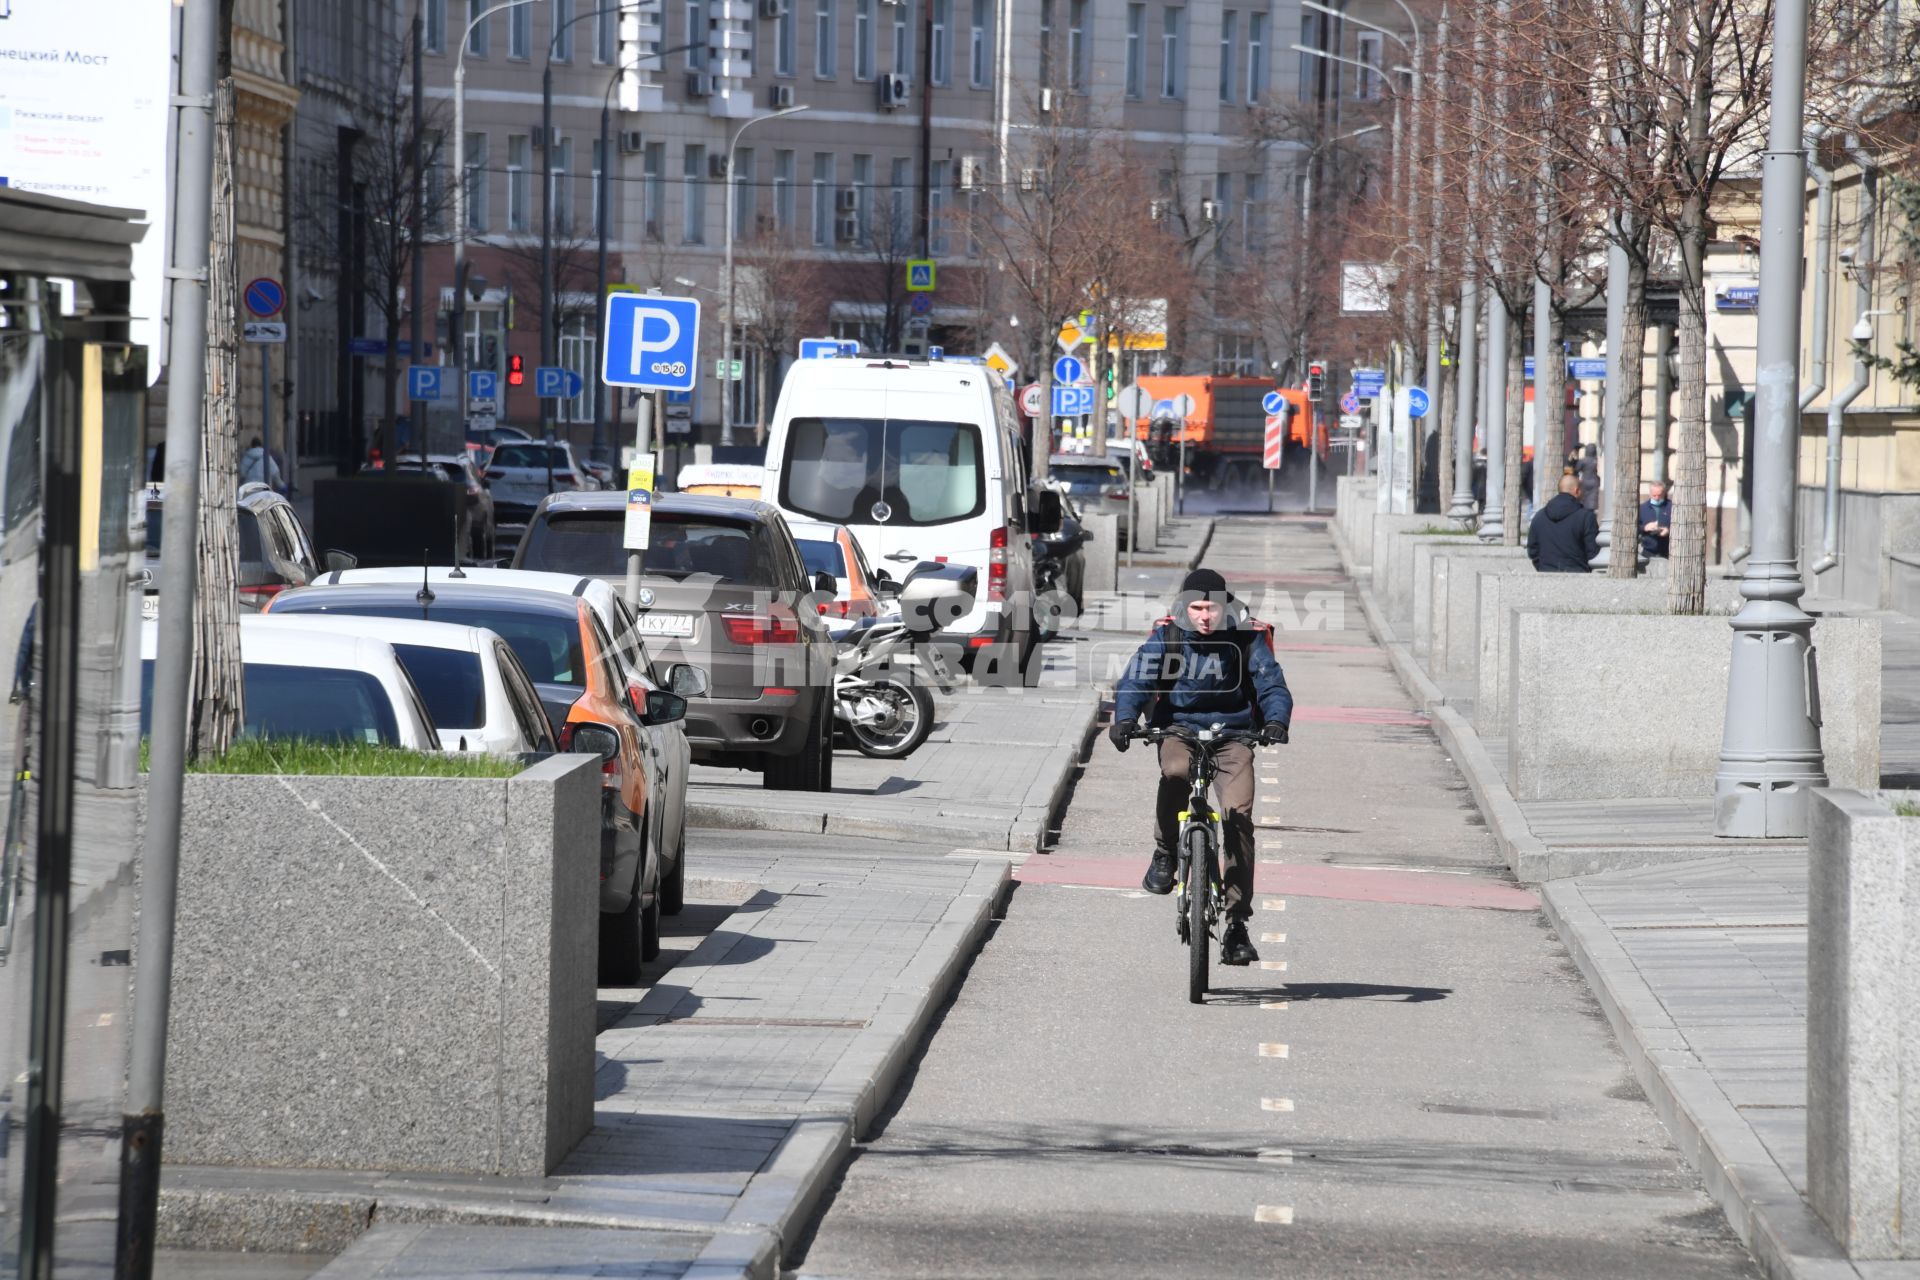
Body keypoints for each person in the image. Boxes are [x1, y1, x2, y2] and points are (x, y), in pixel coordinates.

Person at [1108, 568, 1293, 967]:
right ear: (1183, 607)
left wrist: (1277, 719)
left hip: (1234, 735)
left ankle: (1237, 924)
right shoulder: (1168, 636)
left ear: (1225, 607)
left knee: (1238, 817)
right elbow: (1138, 677)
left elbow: (1270, 682)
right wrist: (1125, 717)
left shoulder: (1246, 637)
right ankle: (1165, 852)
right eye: (1196, 608)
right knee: (1175, 772)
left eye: (1212, 608)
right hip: (1179, 729)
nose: (1205, 617)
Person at [1528, 474, 1601, 572]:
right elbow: (1593, 552)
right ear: (1577, 491)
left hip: (1545, 574)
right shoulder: (1586, 517)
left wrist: (1543, 567)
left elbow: (1533, 550)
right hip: (1579, 575)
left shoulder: (1539, 516)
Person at [1638, 481, 1673, 559]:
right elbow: (1635, 528)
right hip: (1648, 551)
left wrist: (1668, 531)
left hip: (1668, 551)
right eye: (1654, 495)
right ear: (1650, 494)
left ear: (1664, 493)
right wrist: (1645, 528)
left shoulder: (1671, 507)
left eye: (1659, 495)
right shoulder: (1642, 508)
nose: (1657, 498)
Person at [1576, 445, 1600, 511]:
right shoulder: (1595, 460)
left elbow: (1577, 468)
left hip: (1585, 480)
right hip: (1594, 481)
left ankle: (1584, 510)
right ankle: (1591, 511)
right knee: (1592, 499)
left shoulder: (1583, 460)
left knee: (1584, 498)